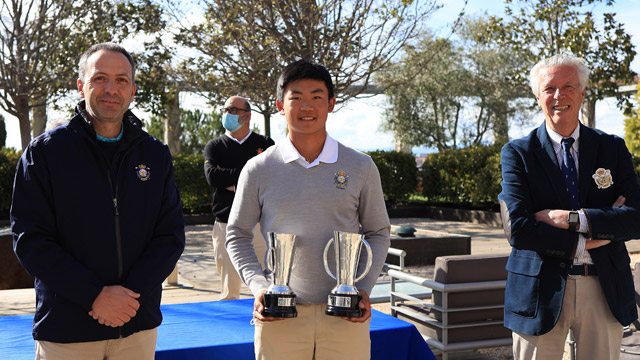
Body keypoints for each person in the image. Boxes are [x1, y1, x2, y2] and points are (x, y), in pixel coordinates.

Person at [10, 42, 185, 359]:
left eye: (121, 80)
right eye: (100, 78)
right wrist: (93, 296)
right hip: (68, 331)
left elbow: (170, 235)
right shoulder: (45, 153)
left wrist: (127, 299)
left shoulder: (155, 154)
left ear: (132, 90)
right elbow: (30, 239)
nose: (110, 89)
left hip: (137, 326)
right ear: (81, 86)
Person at [225, 59, 390, 360]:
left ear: (331, 103)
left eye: (316, 97)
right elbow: (236, 234)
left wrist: (362, 288)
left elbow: (378, 231)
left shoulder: (361, 166)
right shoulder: (258, 169)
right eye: (296, 97)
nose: (307, 107)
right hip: (279, 318)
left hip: (345, 316)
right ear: (279, 105)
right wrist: (260, 287)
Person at [499, 53, 640, 359]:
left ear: (583, 92)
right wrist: (597, 233)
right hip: (538, 294)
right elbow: (520, 230)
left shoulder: (612, 148)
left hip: (604, 288)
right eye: (549, 88)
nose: (559, 95)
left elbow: (635, 219)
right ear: (538, 97)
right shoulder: (517, 154)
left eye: (568, 86)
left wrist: (570, 219)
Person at [204, 96, 274, 300]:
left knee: (266, 285)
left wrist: (231, 180)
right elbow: (212, 177)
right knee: (229, 290)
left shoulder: (265, 144)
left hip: (261, 225)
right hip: (225, 224)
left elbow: (270, 177)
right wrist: (251, 176)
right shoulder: (215, 146)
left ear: (248, 115)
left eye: (233, 110)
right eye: (225, 110)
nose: (227, 114)